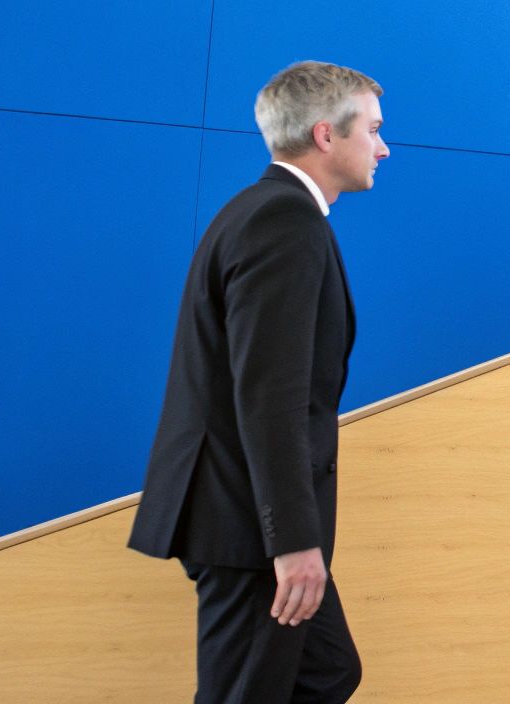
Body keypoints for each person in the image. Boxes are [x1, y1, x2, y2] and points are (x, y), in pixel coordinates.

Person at [128, 61, 389, 704]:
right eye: (374, 130)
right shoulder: (284, 222)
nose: (383, 147)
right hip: (244, 522)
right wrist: (293, 540)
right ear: (327, 136)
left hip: (239, 514)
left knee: (326, 670)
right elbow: (270, 396)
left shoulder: (263, 211)